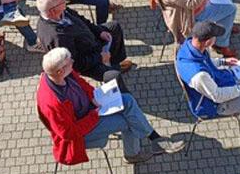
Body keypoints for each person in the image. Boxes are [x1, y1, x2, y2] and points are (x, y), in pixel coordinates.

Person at [36, 47, 173, 166]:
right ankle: (133, 154)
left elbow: (82, 83)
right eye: (69, 62)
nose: (73, 62)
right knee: (129, 121)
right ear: (60, 71)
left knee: (127, 100)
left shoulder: (62, 73)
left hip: (92, 108)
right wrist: (93, 115)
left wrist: (92, 97)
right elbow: (69, 134)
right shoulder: (53, 103)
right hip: (83, 130)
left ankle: (153, 137)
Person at [35, 0, 132, 77]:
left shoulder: (62, 11)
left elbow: (82, 20)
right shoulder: (57, 37)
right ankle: (114, 70)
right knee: (112, 75)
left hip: (91, 41)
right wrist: (100, 57)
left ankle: (114, 62)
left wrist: (99, 32)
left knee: (114, 27)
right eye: (62, 1)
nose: (65, 1)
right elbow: (76, 64)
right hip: (89, 60)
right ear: (52, 11)